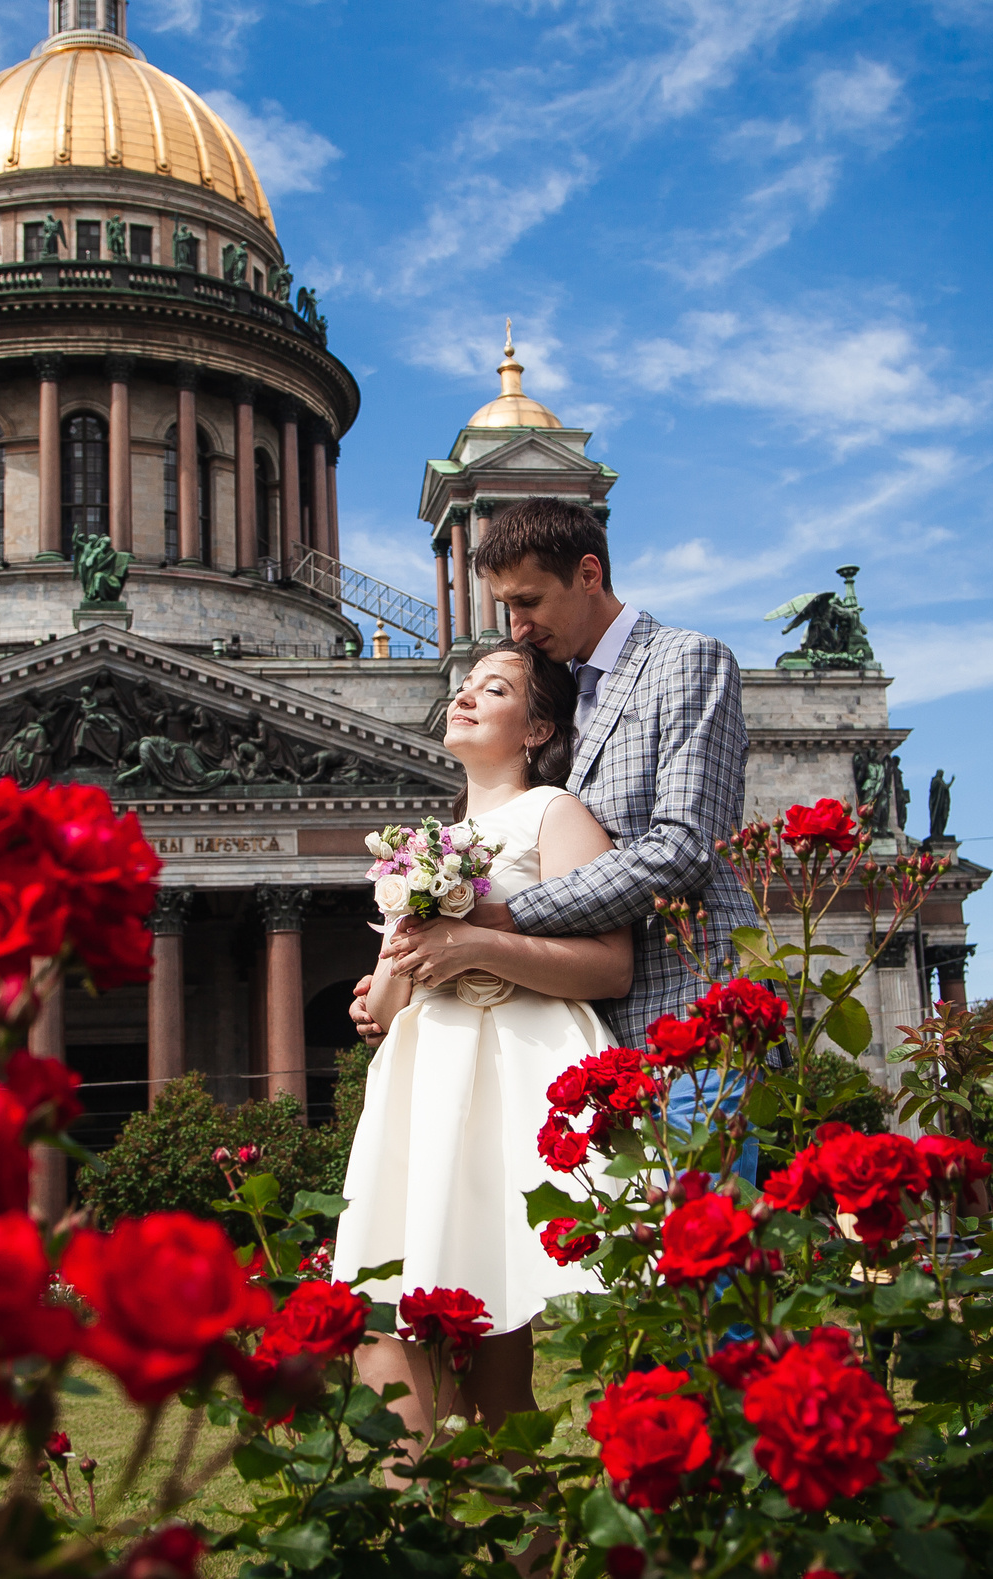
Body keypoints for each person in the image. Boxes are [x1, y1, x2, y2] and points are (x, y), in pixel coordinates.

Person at [363, 497, 760, 1143]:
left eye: (529, 601)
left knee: (705, 1235)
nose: (517, 626)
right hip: (589, 1043)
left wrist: (506, 918)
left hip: (688, 1015)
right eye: (507, 608)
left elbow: (684, 846)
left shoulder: (686, 660)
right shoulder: (554, 690)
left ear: (587, 573)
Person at [333, 641, 632, 1446]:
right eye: (463, 686)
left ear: (537, 727)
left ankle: (498, 1539)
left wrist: (476, 947)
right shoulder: (424, 846)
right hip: (425, 1090)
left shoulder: (552, 814)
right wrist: (390, 982)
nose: (463, 697)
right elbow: (392, 1000)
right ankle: (450, 1525)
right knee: (388, 1331)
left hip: (509, 1085)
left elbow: (611, 965)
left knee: (493, 1362)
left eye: (492, 689)